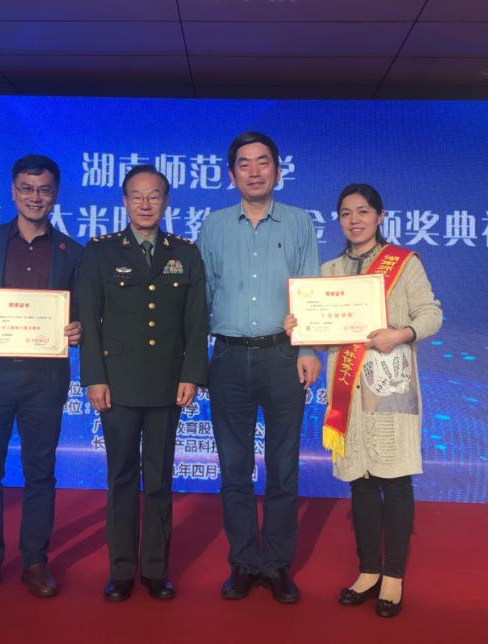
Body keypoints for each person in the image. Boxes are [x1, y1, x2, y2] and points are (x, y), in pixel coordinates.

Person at [285, 182, 442, 617]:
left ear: (379, 216)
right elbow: (321, 332)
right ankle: (368, 570)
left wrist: (401, 333)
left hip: (389, 383)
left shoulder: (404, 263)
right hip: (347, 390)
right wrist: (299, 327)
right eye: (345, 213)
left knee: (395, 479)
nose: (354, 220)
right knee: (361, 481)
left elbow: (431, 314)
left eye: (363, 211)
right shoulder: (330, 270)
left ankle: (393, 576)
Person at [0, 154, 83, 599]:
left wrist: (79, 327)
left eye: (44, 189)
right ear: (13, 191)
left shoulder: (72, 252)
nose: (35, 197)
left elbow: (82, 310)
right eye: (27, 188)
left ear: (55, 194)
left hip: (44, 379)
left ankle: (35, 561)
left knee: (40, 474)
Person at [197, 131, 321, 604]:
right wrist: (193, 360)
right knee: (234, 467)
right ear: (231, 175)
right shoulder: (214, 225)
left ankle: (277, 564)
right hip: (227, 357)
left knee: (283, 466)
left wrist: (308, 349)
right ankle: (244, 562)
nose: (254, 171)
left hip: (283, 356)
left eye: (263, 162)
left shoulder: (299, 222)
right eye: (244, 164)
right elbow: (202, 295)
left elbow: (309, 288)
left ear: (277, 170)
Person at [77, 164, 209, 602]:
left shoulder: (184, 253)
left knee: (158, 479)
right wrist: (94, 378)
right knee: (120, 478)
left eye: (154, 196)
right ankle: (120, 571)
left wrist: (191, 374)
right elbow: (89, 319)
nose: (146, 204)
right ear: (124, 202)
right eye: (137, 196)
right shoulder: (100, 252)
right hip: (117, 385)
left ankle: (155, 570)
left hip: (167, 384)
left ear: (166, 202)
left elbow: (196, 321)